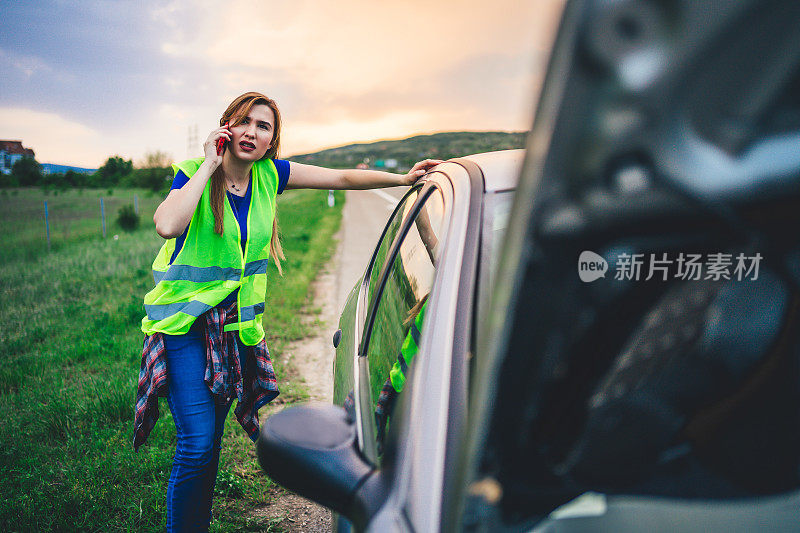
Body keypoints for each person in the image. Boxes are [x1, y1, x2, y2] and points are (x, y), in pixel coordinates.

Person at [133, 91, 441, 532]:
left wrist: (403, 180)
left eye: (264, 127)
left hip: (234, 330)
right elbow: (167, 224)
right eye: (244, 122)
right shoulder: (192, 173)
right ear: (226, 127)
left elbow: (341, 178)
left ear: (272, 141)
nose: (252, 133)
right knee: (197, 444)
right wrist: (208, 165)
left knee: (211, 443)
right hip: (183, 327)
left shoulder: (269, 176)